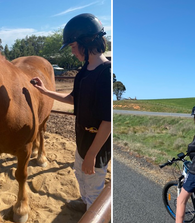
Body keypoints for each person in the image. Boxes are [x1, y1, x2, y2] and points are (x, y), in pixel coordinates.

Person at [31, 13, 111, 213]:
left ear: (87, 41)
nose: (73, 52)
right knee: (80, 174)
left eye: (74, 47)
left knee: (93, 183)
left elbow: (108, 121)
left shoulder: (106, 74)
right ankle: (86, 202)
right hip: (82, 137)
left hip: (97, 144)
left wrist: (92, 154)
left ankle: (93, 210)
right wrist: (45, 91)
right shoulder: (85, 70)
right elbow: (74, 99)